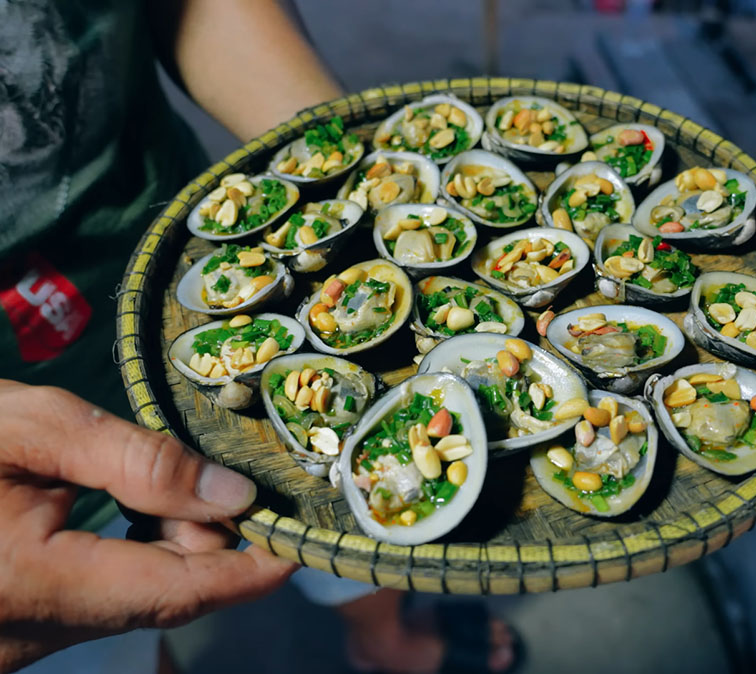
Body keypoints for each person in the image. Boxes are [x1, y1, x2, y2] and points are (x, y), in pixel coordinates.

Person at [0, 2, 514, 672]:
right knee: (117, 647)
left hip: (204, 275)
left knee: (364, 502)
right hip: (29, 493)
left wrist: (360, 185)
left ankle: (382, 640)